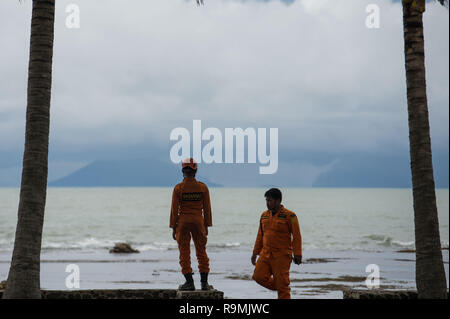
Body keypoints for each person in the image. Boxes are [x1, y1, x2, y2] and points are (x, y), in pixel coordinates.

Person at [170, 158, 213, 290]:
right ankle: (204, 283)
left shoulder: (178, 188)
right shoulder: (202, 187)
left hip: (183, 222)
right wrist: (207, 225)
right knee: (201, 252)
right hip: (198, 221)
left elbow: (174, 209)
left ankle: (189, 282)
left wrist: (173, 226)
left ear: (183, 171)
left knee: (184, 252)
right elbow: (207, 209)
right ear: (196, 170)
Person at [251, 188, 302, 299]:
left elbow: (296, 236)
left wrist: (298, 253)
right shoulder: (264, 215)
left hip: (282, 256)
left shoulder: (291, 216)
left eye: (270, 201)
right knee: (258, 276)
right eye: (266, 201)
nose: (267, 203)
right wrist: (255, 253)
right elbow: (260, 235)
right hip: (265, 254)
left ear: (278, 201)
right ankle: (282, 286)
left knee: (282, 288)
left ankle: (282, 287)